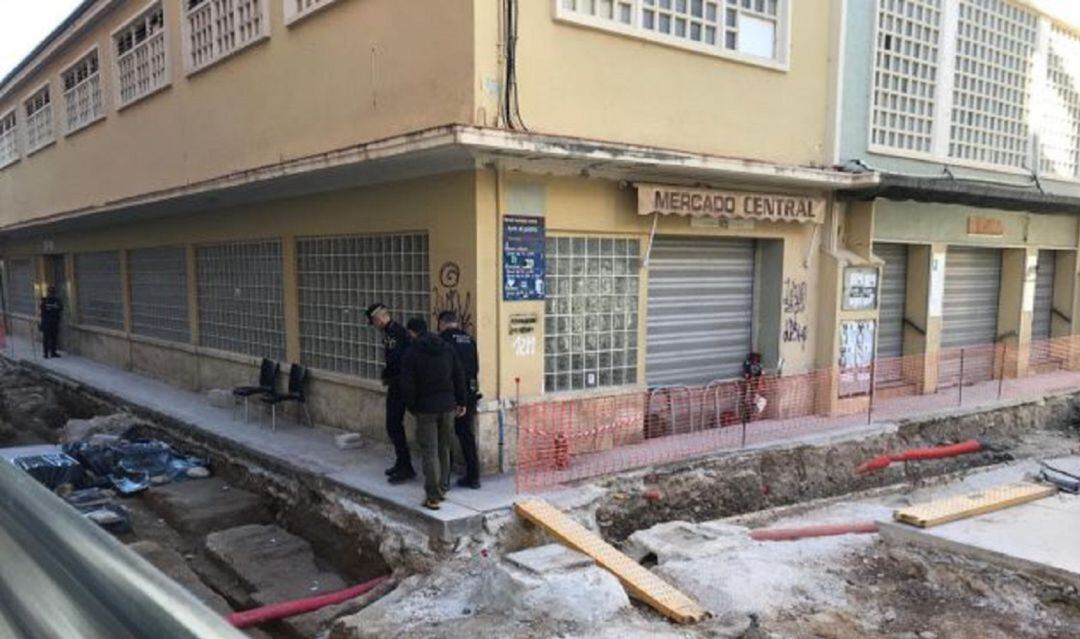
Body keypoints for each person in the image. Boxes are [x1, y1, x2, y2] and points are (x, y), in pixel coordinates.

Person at [399, 317, 466, 510]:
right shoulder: (447, 348)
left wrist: (412, 406)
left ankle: (433, 495)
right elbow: (458, 375)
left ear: (412, 333)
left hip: (425, 408)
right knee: (444, 447)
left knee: (430, 451)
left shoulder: (412, 353)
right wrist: (461, 401)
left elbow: (407, 384)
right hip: (447, 406)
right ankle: (443, 487)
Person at [365, 303, 415, 484]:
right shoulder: (393, 331)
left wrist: (388, 375)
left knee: (393, 424)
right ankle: (402, 462)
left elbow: (396, 361)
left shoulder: (394, 333)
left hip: (401, 386)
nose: (375, 326)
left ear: (379, 319)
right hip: (400, 384)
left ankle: (406, 466)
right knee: (394, 425)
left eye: (374, 322)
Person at [437, 311, 481, 489]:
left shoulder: (442, 341)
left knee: (445, 436)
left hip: (451, 394)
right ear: (456, 323)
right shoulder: (469, 340)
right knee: (466, 436)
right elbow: (475, 368)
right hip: (469, 393)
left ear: (441, 323)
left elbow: (445, 370)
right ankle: (473, 476)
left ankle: (445, 477)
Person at [39, 286, 63, 359]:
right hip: (46, 323)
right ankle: (46, 353)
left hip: (54, 322)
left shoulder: (57, 300)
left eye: (52, 292)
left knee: (54, 338)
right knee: (46, 339)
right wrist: (53, 308)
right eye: (50, 292)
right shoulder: (44, 301)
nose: (51, 294)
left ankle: (53, 352)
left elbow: (61, 308)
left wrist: (52, 308)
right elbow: (43, 310)